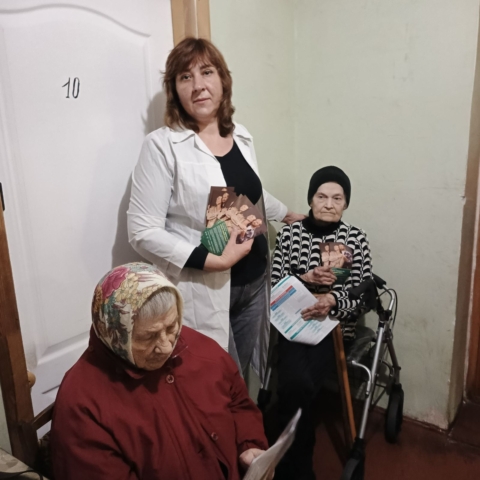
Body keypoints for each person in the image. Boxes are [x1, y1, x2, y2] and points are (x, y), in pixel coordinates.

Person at [127, 37, 304, 376]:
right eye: (185, 77)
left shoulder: (241, 136)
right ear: (174, 90)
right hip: (208, 289)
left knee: (240, 380)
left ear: (223, 80)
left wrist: (285, 214)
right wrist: (214, 261)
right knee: (218, 380)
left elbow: (248, 191)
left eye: (207, 72)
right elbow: (142, 231)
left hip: (255, 282)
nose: (198, 85)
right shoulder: (162, 146)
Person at [51, 262, 271, 480]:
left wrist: (249, 445)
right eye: (149, 337)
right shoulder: (82, 403)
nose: (166, 347)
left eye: (172, 326)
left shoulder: (197, 346)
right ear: (115, 335)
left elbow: (238, 401)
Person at [271, 166, 372, 480]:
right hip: (293, 321)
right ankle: (299, 468)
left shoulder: (354, 238)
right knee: (295, 384)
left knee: (296, 386)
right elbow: (274, 286)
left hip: (334, 326)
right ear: (310, 199)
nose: (329, 204)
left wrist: (332, 299)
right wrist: (305, 278)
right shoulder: (290, 235)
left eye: (337, 198)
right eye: (321, 196)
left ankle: (288, 466)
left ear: (346, 203)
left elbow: (363, 294)